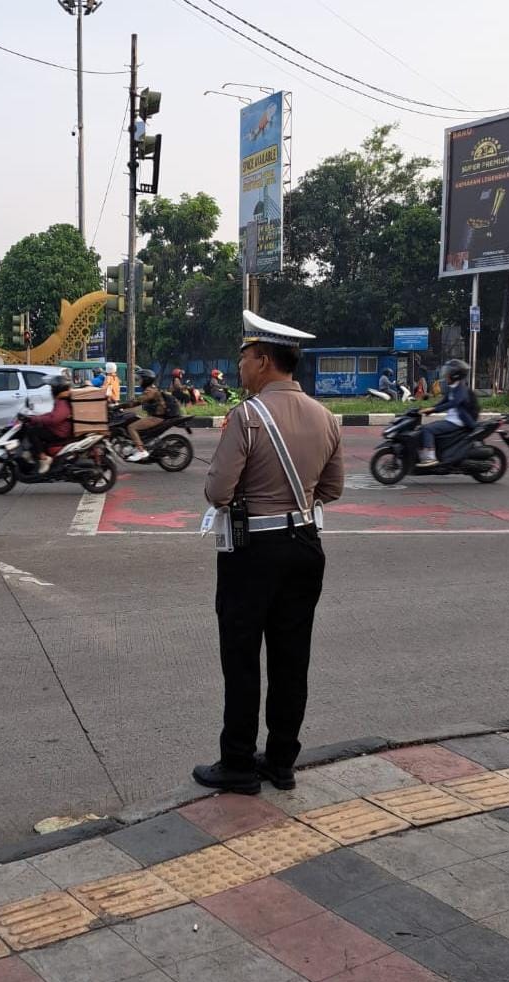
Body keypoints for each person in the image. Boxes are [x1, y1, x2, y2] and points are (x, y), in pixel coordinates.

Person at [194, 310, 343, 795]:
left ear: (262, 360)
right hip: (305, 546)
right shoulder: (326, 417)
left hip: (253, 551)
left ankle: (238, 762)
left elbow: (218, 492)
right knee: (291, 658)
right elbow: (332, 489)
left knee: (241, 658)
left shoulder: (247, 416)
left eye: (243, 358)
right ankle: (280, 762)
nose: (239, 367)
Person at [417, 358, 478, 467]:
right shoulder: (453, 388)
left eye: (448, 373)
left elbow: (453, 403)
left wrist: (434, 410)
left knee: (427, 429)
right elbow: (443, 402)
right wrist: (429, 409)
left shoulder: (461, 389)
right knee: (421, 429)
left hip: (458, 422)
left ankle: (430, 458)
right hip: (452, 420)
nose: (446, 376)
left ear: (455, 375)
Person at [20, 374, 73, 474]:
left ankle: (44, 459)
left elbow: (54, 419)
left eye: (52, 388)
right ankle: (34, 454)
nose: (51, 390)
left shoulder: (62, 402)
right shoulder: (62, 400)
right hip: (59, 429)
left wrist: (35, 419)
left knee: (33, 431)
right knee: (35, 427)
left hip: (59, 432)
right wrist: (35, 417)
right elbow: (52, 415)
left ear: (58, 389)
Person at [122, 370, 173, 462]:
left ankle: (141, 451)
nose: (139, 381)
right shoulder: (150, 388)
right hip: (156, 416)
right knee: (134, 418)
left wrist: (119, 406)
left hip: (157, 417)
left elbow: (137, 402)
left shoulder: (150, 390)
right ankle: (137, 445)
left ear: (146, 380)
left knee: (131, 427)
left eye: (140, 379)